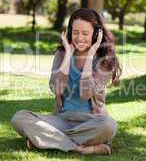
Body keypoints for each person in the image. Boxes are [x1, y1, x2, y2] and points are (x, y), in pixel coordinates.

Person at [10, 8, 122, 155]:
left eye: (85, 33)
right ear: (69, 32)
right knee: (19, 117)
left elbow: (85, 94)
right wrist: (68, 56)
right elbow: (56, 89)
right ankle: (83, 148)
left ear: (96, 34)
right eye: (75, 32)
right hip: (62, 120)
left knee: (109, 126)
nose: (79, 38)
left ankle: (45, 139)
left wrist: (90, 56)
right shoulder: (62, 54)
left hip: (91, 122)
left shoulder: (106, 61)